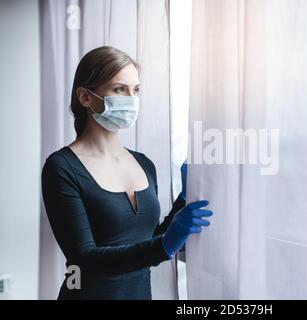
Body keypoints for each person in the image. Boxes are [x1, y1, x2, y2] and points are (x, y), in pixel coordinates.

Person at [41, 46, 213, 300]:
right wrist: (163, 246)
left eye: (136, 90)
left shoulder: (144, 164)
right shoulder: (62, 167)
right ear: (85, 97)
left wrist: (183, 202)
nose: (131, 99)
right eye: (119, 89)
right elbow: (83, 259)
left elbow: (148, 240)